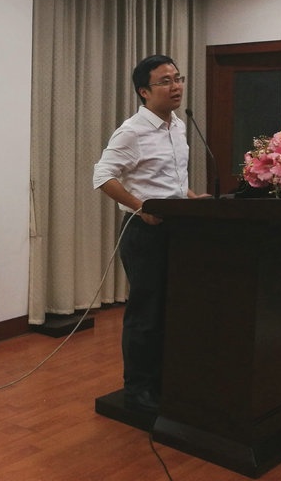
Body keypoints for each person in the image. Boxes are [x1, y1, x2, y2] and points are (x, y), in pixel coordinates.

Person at [92, 54, 207, 414]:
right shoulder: (132, 131)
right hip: (144, 232)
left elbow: (171, 180)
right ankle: (137, 389)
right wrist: (141, 207)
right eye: (165, 81)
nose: (176, 86)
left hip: (179, 229)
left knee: (173, 309)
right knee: (147, 313)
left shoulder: (178, 126)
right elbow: (102, 176)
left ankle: (164, 378)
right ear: (144, 91)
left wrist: (191, 198)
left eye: (178, 78)